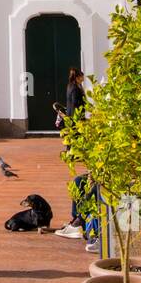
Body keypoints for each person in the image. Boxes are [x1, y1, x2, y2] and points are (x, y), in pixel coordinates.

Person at [55, 68, 100, 242]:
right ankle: (77, 220)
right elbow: (76, 105)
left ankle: (78, 220)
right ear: (79, 76)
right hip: (76, 120)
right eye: (82, 76)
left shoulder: (73, 87)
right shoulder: (74, 88)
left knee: (85, 185)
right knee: (78, 182)